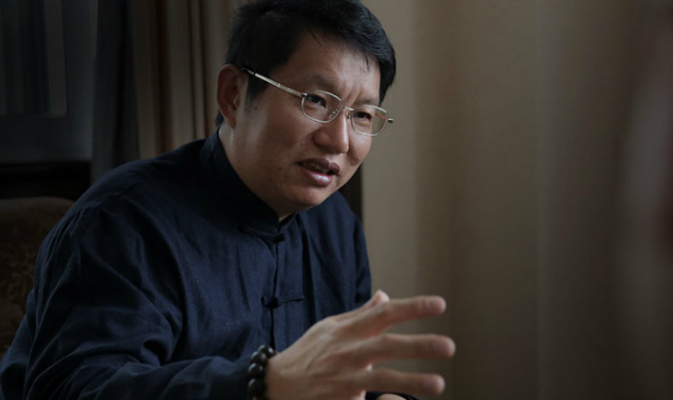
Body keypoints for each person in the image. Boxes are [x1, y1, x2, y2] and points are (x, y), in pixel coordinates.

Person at [0, 0, 455, 399]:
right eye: (316, 100)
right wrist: (263, 384)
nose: (339, 140)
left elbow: (338, 374)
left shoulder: (336, 224)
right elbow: (77, 388)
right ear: (233, 96)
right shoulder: (122, 221)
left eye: (362, 115)